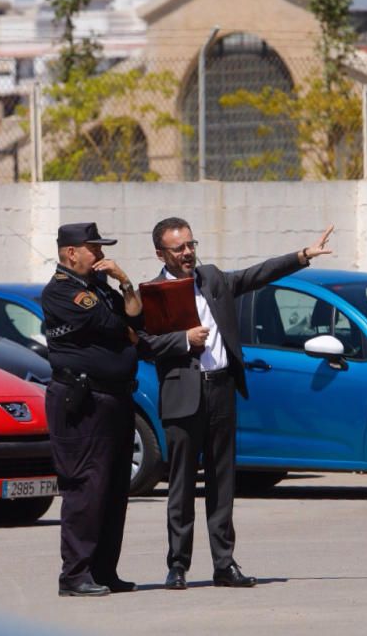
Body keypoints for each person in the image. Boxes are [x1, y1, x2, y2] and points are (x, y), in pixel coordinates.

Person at [137, 217, 333, 590]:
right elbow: (144, 344)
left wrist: (303, 255)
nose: (188, 253)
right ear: (161, 252)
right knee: (180, 483)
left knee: (222, 481)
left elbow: (257, 275)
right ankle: (177, 565)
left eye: (191, 245)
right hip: (182, 396)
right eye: (179, 248)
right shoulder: (156, 292)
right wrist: (183, 339)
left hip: (221, 390)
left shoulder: (212, 279)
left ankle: (224, 564)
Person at [41, 222, 142, 597]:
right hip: (83, 400)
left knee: (115, 489)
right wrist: (127, 328)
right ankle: (75, 574)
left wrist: (125, 282)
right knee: (86, 486)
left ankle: (103, 570)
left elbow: (135, 318)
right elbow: (114, 326)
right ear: (72, 253)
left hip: (116, 397)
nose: (100, 255)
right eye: (93, 249)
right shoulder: (60, 291)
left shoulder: (100, 287)